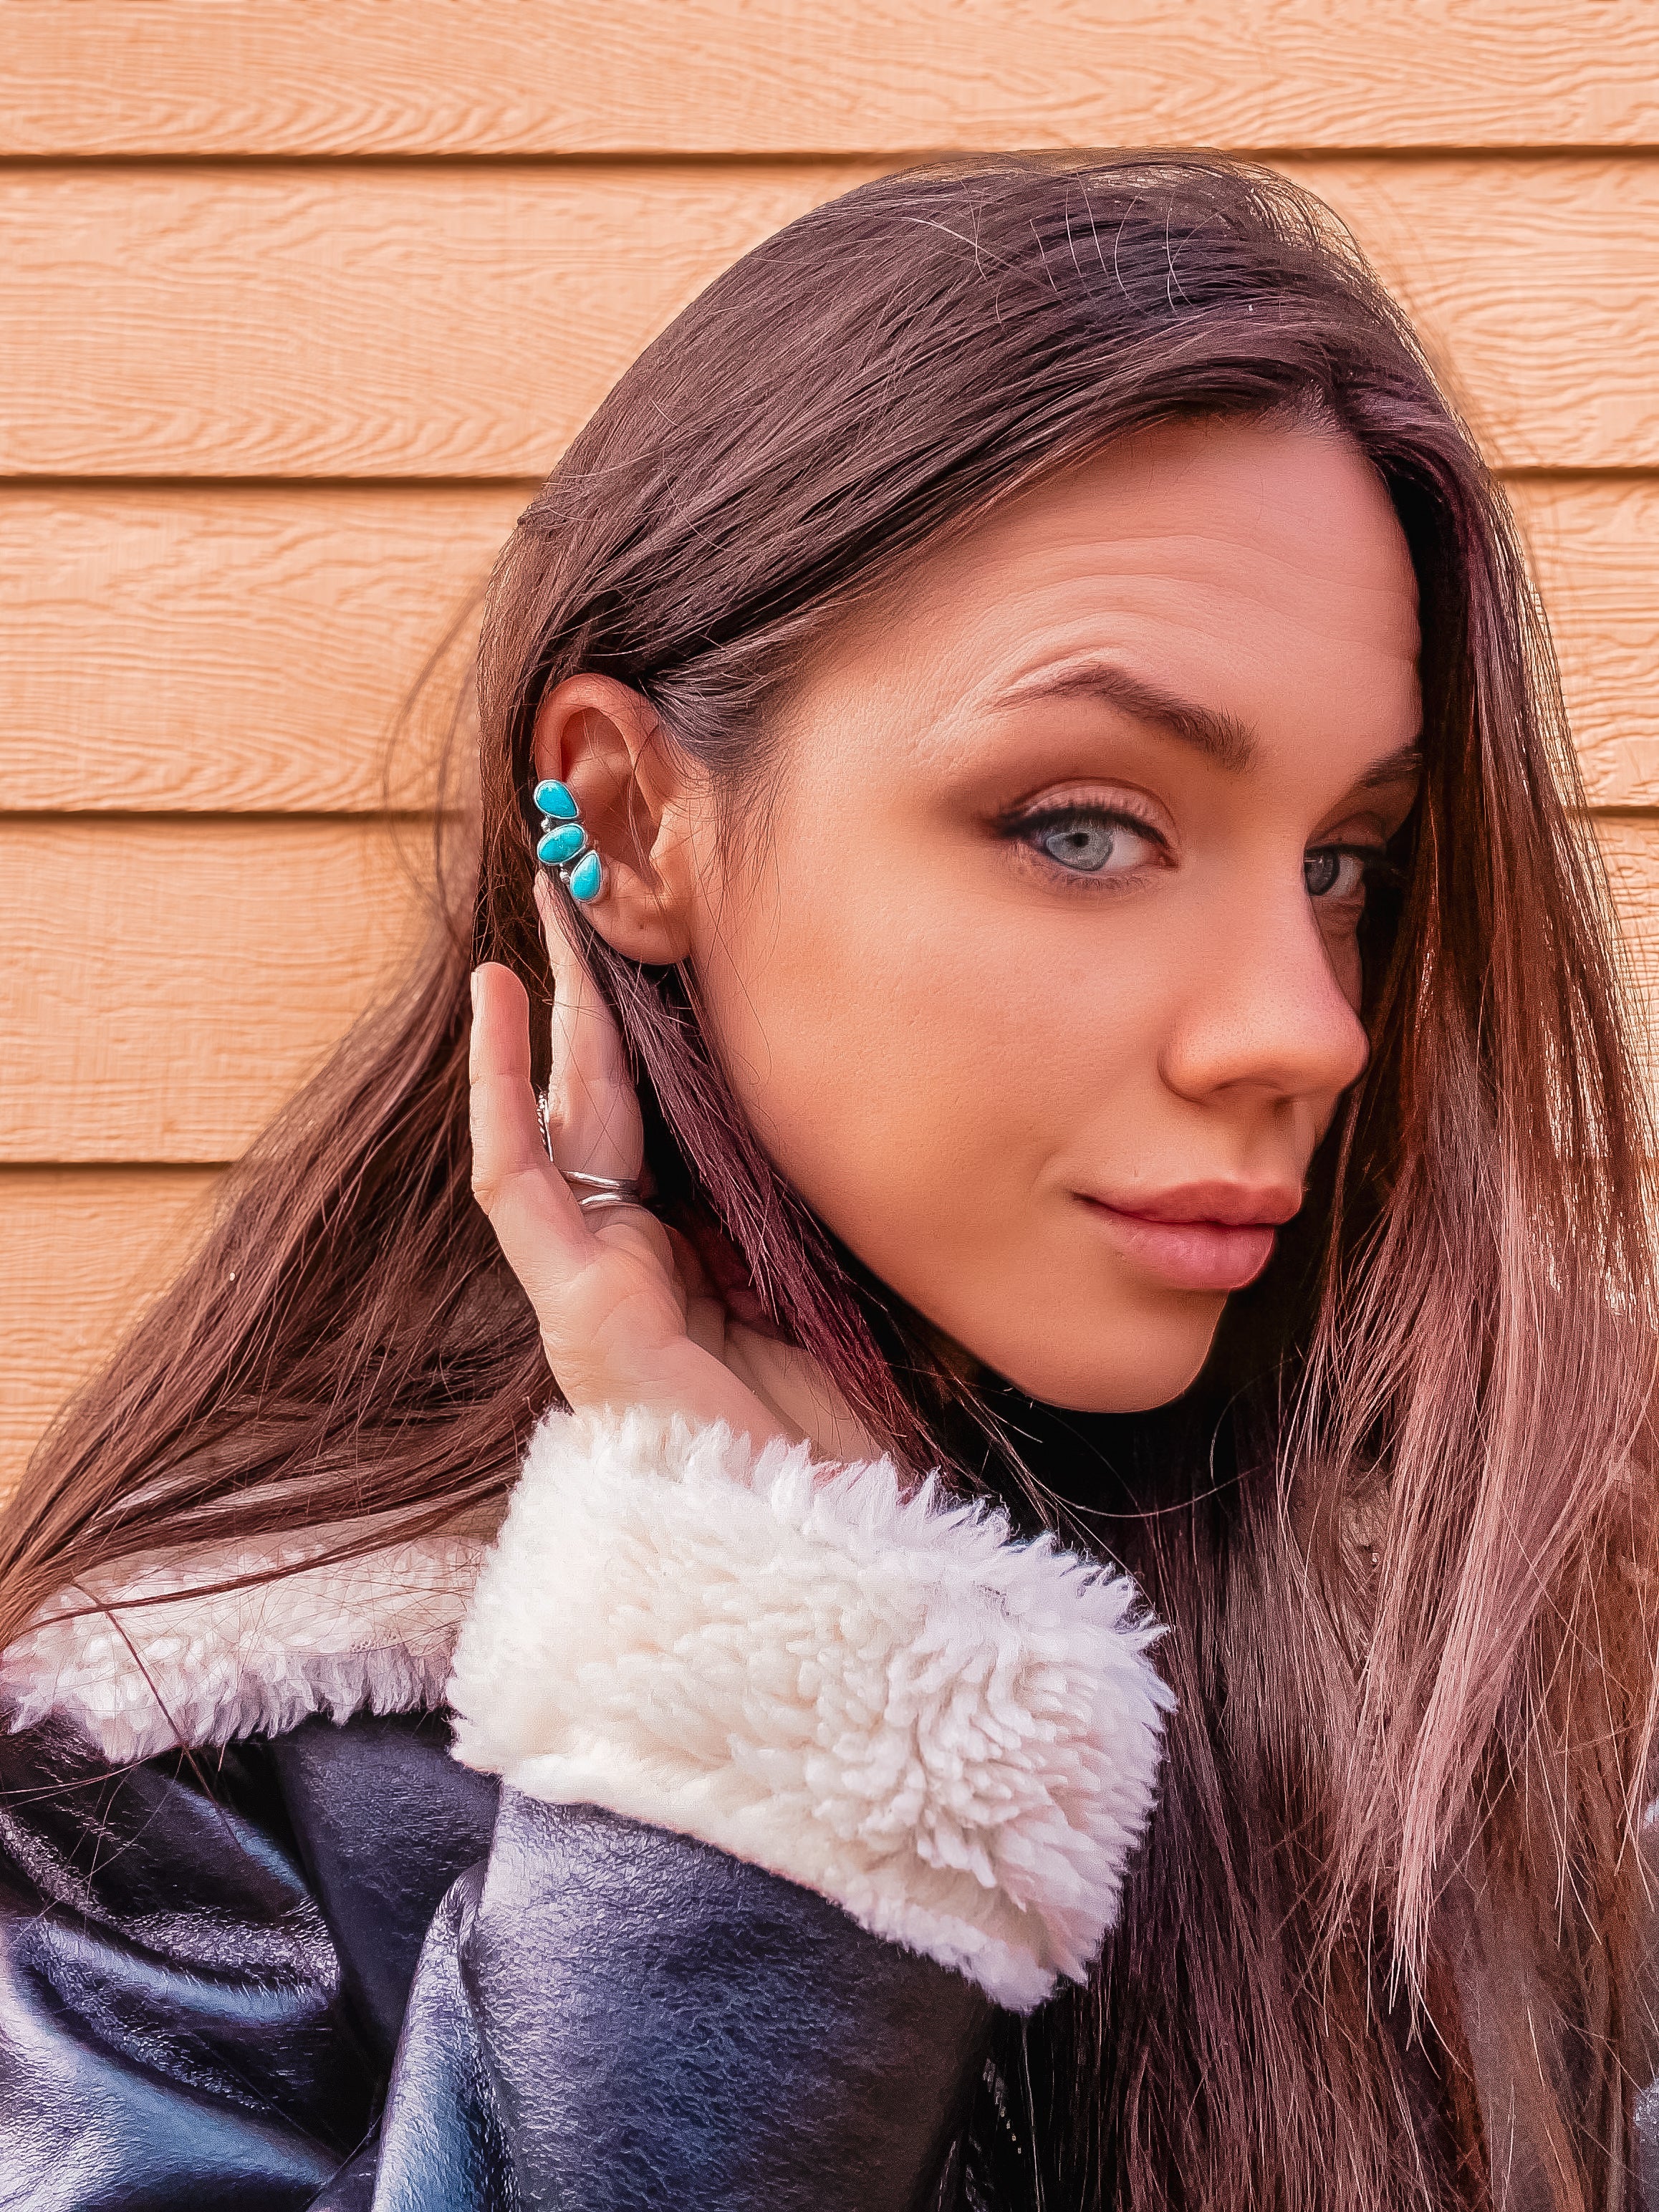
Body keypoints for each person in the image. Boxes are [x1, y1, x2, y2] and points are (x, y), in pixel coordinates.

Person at [0, 152, 1653, 2212]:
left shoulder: (1568, 1644)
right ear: (634, 817)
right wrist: (764, 1750)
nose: (1302, 1029)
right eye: (1080, 828)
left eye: (1343, 864)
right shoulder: (192, 1769)